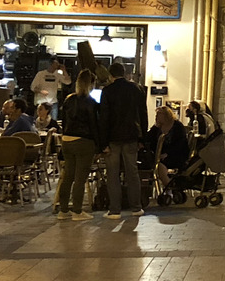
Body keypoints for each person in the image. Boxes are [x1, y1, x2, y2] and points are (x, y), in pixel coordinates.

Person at [54, 70, 105, 220]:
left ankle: (63, 210)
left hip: (67, 140)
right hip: (84, 142)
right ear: (91, 84)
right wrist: (99, 146)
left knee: (67, 176)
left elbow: (63, 121)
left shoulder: (69, 100)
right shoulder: (92, 103)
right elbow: (94, 126)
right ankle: (77, 211)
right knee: (80, 178)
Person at [100, 61, 149, 217]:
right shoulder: (136, 89)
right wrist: (143, 139)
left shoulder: (107, 91)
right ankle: (136, 207)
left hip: (113, 138)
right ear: (125, 73)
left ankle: (115, 209)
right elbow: (143, 115)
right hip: (131, 136)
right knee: (132, 172)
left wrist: (103, 143)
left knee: (112, 173)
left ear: (111, 75)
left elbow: (104, 118)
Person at [144, 104, 192, 179]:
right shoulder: (158, 127)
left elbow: (180, 143)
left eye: (159, 114)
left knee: (160, 164)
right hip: (159, 154)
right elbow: (148, 139)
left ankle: (167, 185)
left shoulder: (177, 126)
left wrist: (167, 154)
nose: (156, 116)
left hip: (176, 154)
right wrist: (155, 127)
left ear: (166, 115)